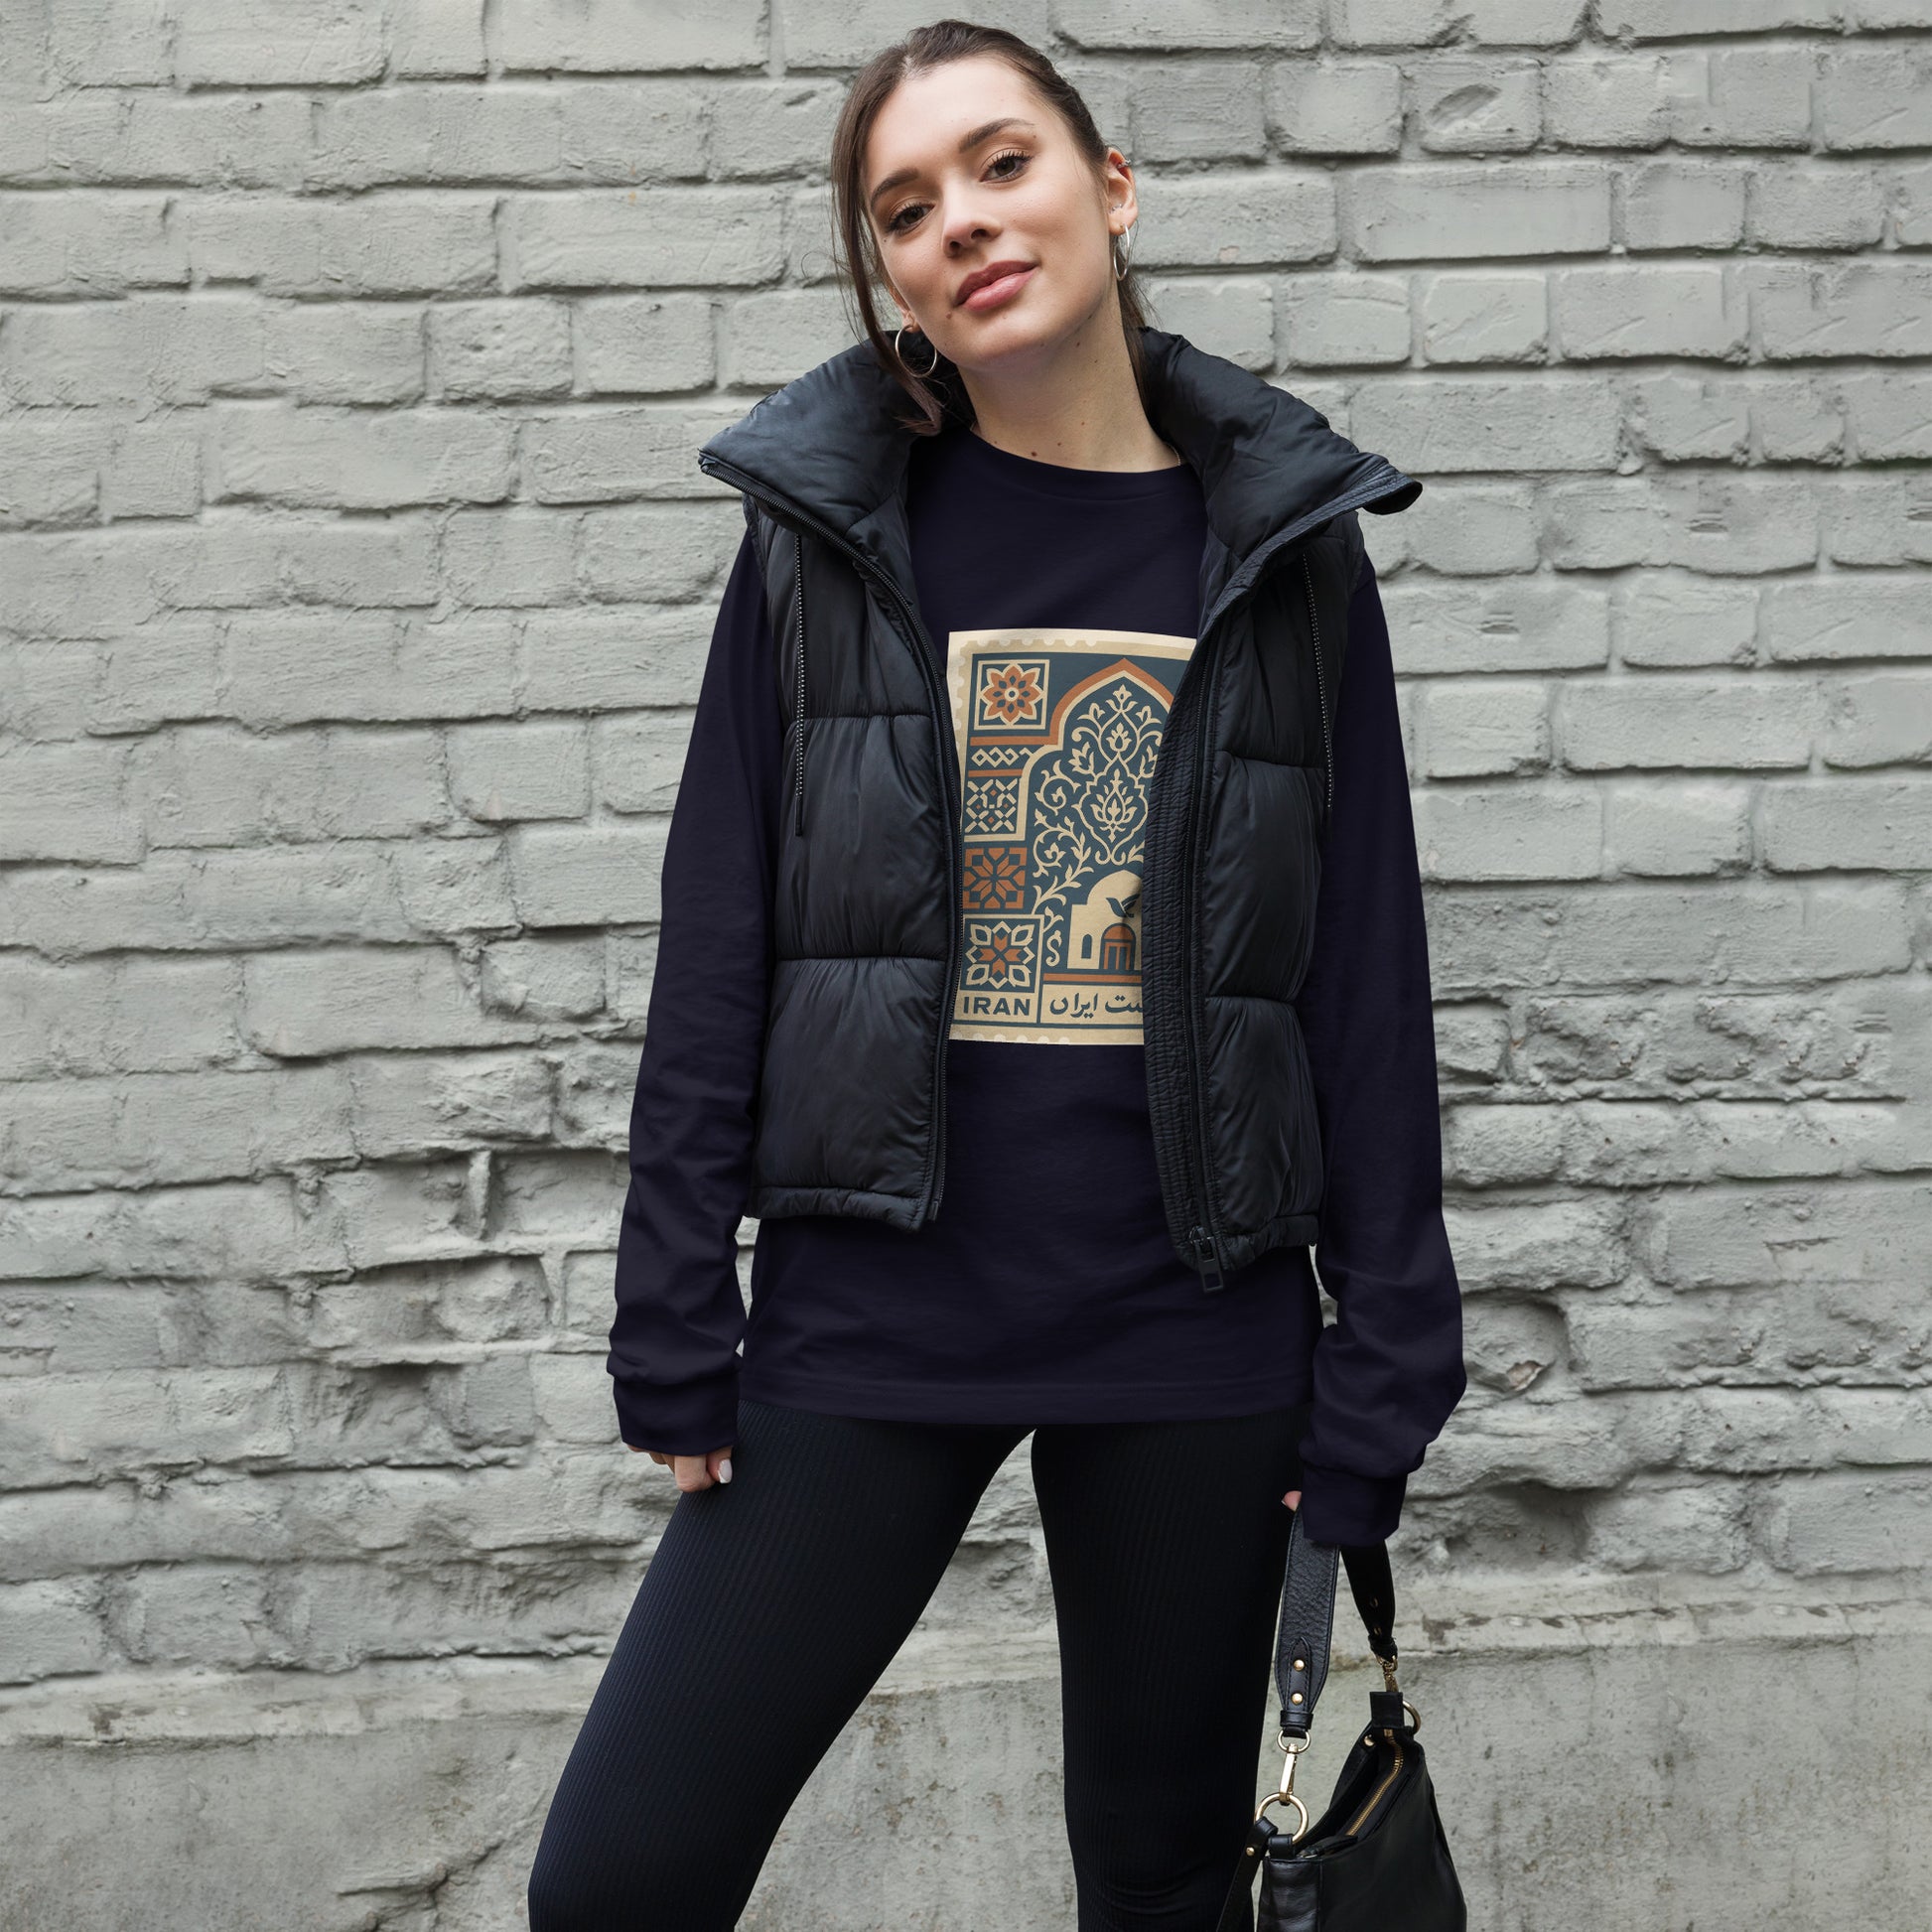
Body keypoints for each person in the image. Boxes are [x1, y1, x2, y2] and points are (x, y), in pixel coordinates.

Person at [526, 20, 1465, 1931]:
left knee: (1157, 1881)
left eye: (1001, 162)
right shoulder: (820, 542)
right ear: (888, 278)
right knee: (617, 1881)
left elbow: (1364, 977)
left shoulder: (1283, 555)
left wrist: (1387, 1360)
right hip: (875, 1311)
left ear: (1107, 187)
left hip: (1193, 1328)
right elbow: (723, 929)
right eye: (905, 207)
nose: (962, 220)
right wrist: (670, 1294)